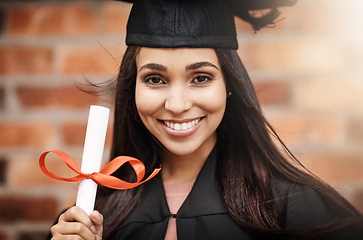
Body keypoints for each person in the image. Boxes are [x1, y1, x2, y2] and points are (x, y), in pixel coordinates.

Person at [48, 0, 363, 239]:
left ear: (229, 86)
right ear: (133, 89)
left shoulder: (293, 209)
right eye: (155, 79)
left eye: (200, 78)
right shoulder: (90, 219)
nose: (177, 104)